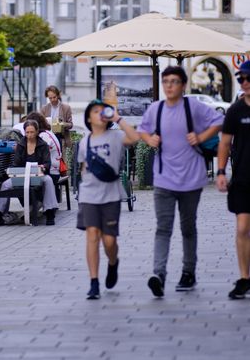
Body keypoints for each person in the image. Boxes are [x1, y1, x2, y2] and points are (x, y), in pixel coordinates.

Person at [138, 66, 223, 298]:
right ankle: (159, 275)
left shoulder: (192, 106)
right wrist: (150, 139)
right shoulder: (156, 109)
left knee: (188, 228)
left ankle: (188, 272)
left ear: (183, 85)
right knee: (162, 228)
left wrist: (201, 136)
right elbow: (142, 131)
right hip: (164, 179)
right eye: (166, 81)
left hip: (191, 179)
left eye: (174, 81)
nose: (169, 86)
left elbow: (219, 120)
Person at [77, 99, 140, 300]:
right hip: (88, 195)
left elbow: (135, 137)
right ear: (88, 118)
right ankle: (93, 281)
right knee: (92, 235)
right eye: (95, 111)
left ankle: (113, 263)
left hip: (111, 195)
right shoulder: (84, 141)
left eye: (102, 111)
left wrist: (117, 117)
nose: (99, 114)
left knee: (109, 241)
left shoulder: (116, 136)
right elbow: (82, 167)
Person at [216, 60, 250, 299]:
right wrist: (220, 172)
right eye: (241, 79)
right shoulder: (236, 110)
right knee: (242, 228)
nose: (245, 83)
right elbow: (225, 143)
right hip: (242, 178)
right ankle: (244, 278)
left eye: (248, 79)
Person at [0, 119, 59, 226]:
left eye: (32, 132)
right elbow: (16, 163)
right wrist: (14, 171)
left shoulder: (43, 145)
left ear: (37, 132)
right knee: (5, 184)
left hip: (38, 174)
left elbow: (47, 163)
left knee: (48, 181)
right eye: (27, 132)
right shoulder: (21, 145)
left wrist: (43, 167)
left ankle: (49, 212)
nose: (29, 135)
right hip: (22, 175)